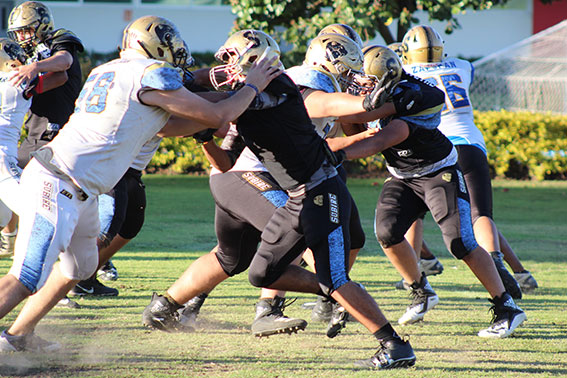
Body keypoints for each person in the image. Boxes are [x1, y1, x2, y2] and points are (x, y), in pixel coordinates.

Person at [0, 15, 279, 353]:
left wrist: (225, 100)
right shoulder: (150, 73)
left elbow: (165, 124)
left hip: (79, 188)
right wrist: (252, 88)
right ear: (154, 45)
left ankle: (17, 336)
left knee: (81, 266)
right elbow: (215, 116)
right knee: (27, 276)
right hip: (56, 183)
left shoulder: (111, 69)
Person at [143, 29, 416, 370]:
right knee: (259, 270)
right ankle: (340, 302)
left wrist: (369, 104)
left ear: (256, 62)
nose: (226, 69)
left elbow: (318, 104)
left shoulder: (281, 85)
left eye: (232, 61)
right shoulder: (249, 94)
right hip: (301, 192)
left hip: (317, 191)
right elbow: (220, 146)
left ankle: (380, 333)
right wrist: (183, 126)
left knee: (309, 273)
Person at [332, 44, 527, 338]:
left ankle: (507, 308)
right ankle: (420, 290)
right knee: (386, 232)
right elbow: (355, 130)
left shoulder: (407, 103)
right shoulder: (389, 94)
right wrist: (348, 116)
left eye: (366, 81)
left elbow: (372, 145)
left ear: (385, 80)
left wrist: (328, 152)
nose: (359, 84)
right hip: (402, 176)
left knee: (460, 242)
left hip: (438, 172)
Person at [399, 24, 537, 297]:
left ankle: (412, 273)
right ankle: (501, 265)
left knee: (414, 210)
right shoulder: (461, 66)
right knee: (480, 215)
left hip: (434, 149)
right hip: (470, 143)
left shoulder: (406, 74)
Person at [0, 1, 83, 265]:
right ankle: (20, 245)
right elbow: (48, 81)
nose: (22, 38)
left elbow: (64, 67)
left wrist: (34, 68)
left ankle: (87, 257)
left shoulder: (58, 41)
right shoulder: (20, 74)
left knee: (65, 198)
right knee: (40, 205)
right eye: (18, 33)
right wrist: (31, 73)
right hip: (32, 136)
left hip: (59, 130)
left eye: (26, 31)